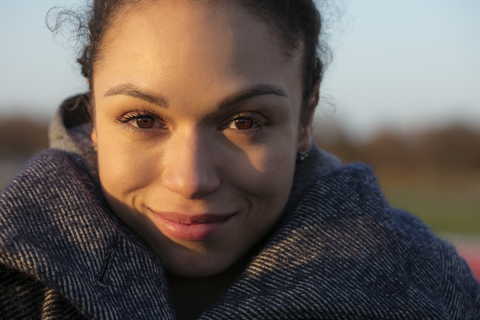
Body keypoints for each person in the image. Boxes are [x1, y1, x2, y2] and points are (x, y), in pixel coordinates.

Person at [1, 0, 479, 319]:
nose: (190, 179)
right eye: (142, 119)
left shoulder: (431, 292)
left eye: (245, 121)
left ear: (305, 118)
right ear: (95, 116)